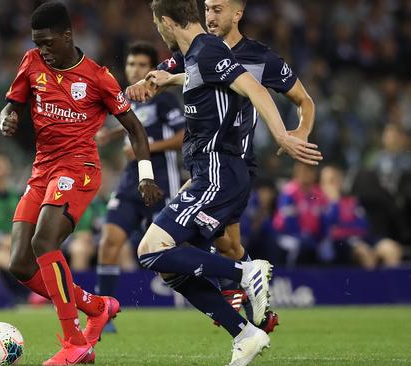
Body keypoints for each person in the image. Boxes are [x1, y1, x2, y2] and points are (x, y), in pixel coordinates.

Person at [134, 1, 321, 365]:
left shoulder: (216, 51)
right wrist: (160, 78)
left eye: (218, 8)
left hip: (222, 166)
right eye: (206, 7)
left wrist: (286, 135)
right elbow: (197, 75)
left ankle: (247, 273)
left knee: (154, 249)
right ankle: (246, 331)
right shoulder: (197, 52)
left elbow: (258, 90)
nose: (210, 15)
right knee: (180, 261)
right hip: (209, 170)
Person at [0, 2, 162, 364]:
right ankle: (96, 306)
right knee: (20, 264)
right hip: (42, 170)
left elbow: (135, 128)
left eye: (48, 43)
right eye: (37, 43)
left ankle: (74, 342)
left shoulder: (97, 77)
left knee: (44, 242)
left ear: (68, 35)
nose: (43, 50)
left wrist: (145, 175)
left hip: (79, 168)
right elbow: (11, 105)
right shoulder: (31, 63)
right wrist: (6, 118)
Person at [94, 41, 185, 333]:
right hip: (130, 182)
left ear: (153, 69)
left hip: (159, 183)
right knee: (109, 241)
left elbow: (184, 136)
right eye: (131, 64)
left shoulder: (165, 100)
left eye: (142, 65)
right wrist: (111, 133)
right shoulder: (127, 100)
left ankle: (220, 292)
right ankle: (102, 313)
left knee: (170, 253)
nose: (135, 69)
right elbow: (135, 125)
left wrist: (147, 147)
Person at [320, 165, 402, 268]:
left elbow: (363, 225)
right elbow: (327, 227)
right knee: (364, 252)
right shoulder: (319, 202)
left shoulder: (351, 201)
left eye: (337, 179)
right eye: (331, 181)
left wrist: (344, 226)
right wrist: (334, 203)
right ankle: (371, 283)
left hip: (361, 238)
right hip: (339, 243)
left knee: (391, 249)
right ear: (322, 183)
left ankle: (391, 284)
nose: (334, 184)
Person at [273, 162, 326, 266]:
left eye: (309, 171)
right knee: (297, 247)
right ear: (296, 173)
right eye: (302, 171)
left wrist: (321, 238)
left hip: (312, 237)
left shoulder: (318, 193)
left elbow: (324, 219)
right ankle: (292, 277)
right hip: (286, 235)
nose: (305, 174)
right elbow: (287, 221)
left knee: (326, 250)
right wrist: (303, 235)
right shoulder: (289, 191)